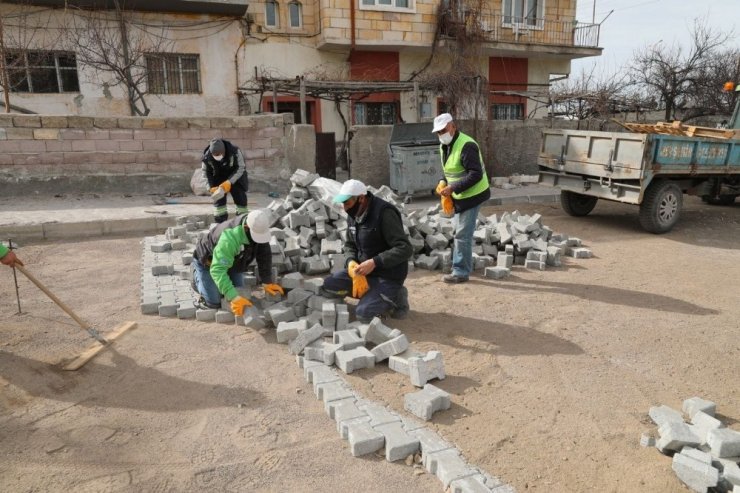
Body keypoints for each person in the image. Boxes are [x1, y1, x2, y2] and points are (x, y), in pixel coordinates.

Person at [322, 179, 413, 322]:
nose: (345, 207)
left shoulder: (384, 213)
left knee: (364, 315)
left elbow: (405, 248)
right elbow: (350, 245)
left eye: (347, 203)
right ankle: (373, 296)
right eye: (343, 203)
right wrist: (351, 261)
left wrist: (375, 262)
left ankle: (395, 295)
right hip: (362, 273)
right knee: (329, 285)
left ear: (361, 198)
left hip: (387, 276)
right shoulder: (354, 214)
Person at [432, 113, 490, 284]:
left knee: (462, 234)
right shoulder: (444, 145)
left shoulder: (467, 145)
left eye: (443, 130)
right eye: (438, 132)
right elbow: (448, 168)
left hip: (472, 195)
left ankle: (460, 272)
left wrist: (452, 188)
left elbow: (476, 174)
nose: (441, 134)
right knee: (459, 232)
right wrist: (443, 181)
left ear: (453, 126)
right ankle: (461, 264)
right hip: (460, 195)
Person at [191, 209, 284, 315]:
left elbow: (264, 255)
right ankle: (196, 275)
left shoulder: (258, 227)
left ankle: (225, 277)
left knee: (241, 292)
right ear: (246, 228)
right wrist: (234, 297)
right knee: (215, 301)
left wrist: (267, 281)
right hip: (208, 262)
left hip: (233, 261)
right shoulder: (229, 238)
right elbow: (217, 270)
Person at [201, 138, 249, 223]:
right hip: (218, 177)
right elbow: (205, 172)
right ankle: (220, 224)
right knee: (219, 202)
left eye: (219, 154)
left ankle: (242, 221)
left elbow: (241, 167)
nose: (217, 156)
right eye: (214, 155)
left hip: (235, 176)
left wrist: (229, 182)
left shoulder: (235, 151)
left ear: (224, 151)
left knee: (240, 198)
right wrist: (210, 187)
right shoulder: (206, 157)